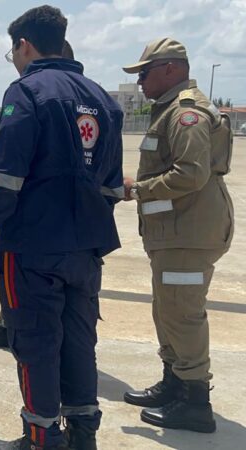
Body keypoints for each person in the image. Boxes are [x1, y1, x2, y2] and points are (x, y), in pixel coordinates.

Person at [0, 6, 123, 450]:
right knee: (79, 342)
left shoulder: (27, 92)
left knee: (36, 344)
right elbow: (113, 186)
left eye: (12, 52)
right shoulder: (103, 98)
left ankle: (41, 439)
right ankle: (83, 435)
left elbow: (3, 177)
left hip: (32, 248)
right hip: (86, 249)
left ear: (24, 45)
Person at [120, 38, 234, 434]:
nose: (140, 82)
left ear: (170, 69)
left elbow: (191, 173)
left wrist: (138, 190)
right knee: (167, 309)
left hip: (190, 232)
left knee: (183, 314)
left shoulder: (187, 113)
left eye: (144, 73)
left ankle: (195, 401)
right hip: (176, 232)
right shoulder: (168, 110)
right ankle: (175, 383)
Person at [0, 39, 76, 350]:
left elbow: (4, 174)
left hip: (34, 222)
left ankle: (20, 332)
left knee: (35, 328)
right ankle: (8, 324)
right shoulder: (87, 96)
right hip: (74, 225)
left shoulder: (28, 92)